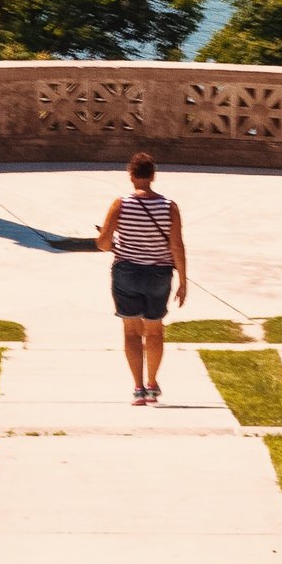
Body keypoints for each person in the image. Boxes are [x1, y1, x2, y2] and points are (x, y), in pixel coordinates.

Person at [96, 152, 185, 405]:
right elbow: (177, 245)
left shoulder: (120, 204)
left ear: (131, 175)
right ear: (153, 176)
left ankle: (137, 388)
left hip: (127, 273)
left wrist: (111, 242)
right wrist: (183, 281)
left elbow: (102, 243)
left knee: (132, 332)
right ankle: (153, 384)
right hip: (159, 274)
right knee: (154, 331)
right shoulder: (169, 206)